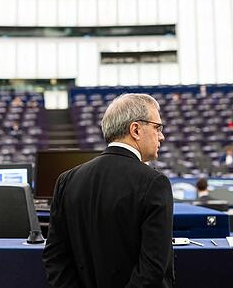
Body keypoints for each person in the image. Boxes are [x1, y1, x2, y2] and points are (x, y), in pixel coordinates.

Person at [43, 93, 174, 288]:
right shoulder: (154, 182)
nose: (161, 136)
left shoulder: (66, 180)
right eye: (157, 127)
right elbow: (153, 267)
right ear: (136, 129)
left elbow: (55, 257)